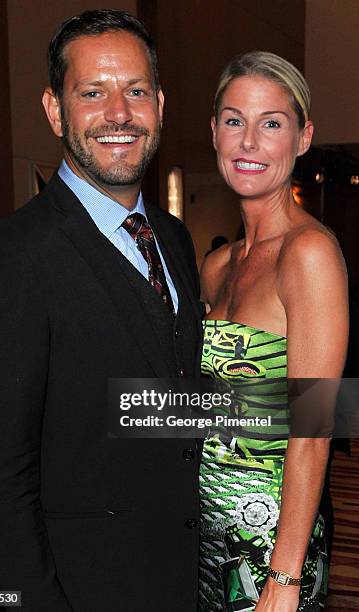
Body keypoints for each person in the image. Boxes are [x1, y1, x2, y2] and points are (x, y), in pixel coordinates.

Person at [0, 11, 202, 612]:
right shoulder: (7, 258)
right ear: (54, 109)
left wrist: (317, 407)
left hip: (189, 574)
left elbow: (163, 405)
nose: (119, 112)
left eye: (136, 90)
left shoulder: (172, 238)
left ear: (160, 105)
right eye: (93, 92)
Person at [198, 51, 348, 611]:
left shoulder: (309, 254)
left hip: (272, 544)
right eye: (234, 120)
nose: (249, 142)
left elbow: (312, 429)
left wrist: (283, 580)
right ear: (214, 133)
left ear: (303, 137)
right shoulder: (217, 266)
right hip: (205, 534)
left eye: (272, 123)